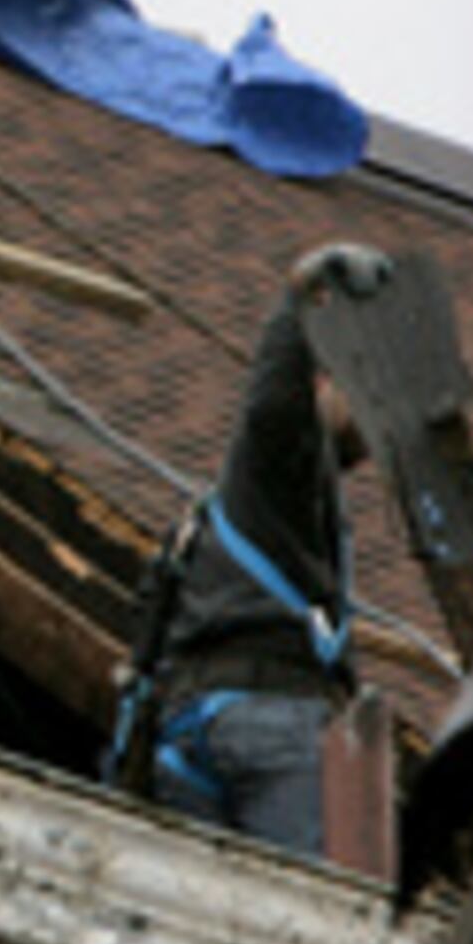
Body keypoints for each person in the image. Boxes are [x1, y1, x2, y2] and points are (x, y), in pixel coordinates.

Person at [118, 242, 382, 855]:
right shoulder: (282, 462)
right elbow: (272, 405)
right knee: (315, 918)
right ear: (321, 380)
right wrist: (303, 295)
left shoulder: (244, 509)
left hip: (191, 730)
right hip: (269, 725)